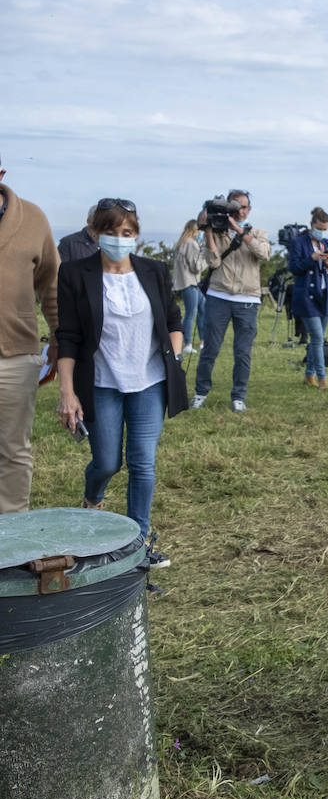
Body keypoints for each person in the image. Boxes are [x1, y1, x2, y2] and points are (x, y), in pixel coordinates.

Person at [54, 198, 187, 566]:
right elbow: (68, 337)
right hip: (101, 383)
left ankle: (137, 544)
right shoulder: (75, 274)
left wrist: (173, 359)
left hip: (149, 382)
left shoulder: (155, 271)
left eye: (126, 232)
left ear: (136, 235)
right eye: (110, 232)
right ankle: (92, 497)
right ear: (95, 233)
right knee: (108, 462)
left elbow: (174, 322)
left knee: (143, 464)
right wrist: (67, 392)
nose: (118, 239)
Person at [0, 154, 60, 513]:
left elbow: (51, 283)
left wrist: (58, 336)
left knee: (12, 449)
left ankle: (9, 537)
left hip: (15, 354)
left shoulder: (33, 218)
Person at [192, 189, 270, 413]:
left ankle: (239, 395)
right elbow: (213, 262)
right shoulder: (218, 231)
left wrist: (239, 231)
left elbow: (264, 254)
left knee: (242, 352)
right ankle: (201, 391)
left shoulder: (257, 232)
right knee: (210, 349)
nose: (240, 211)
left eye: (244, 207)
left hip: (248, 298)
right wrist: (208, 231)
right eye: (235, 207)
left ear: (249, 210)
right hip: (219, 295)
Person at [287, 207, 328, 389]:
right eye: (319, 228)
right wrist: (312, 258)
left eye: (324, 229)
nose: (321, 232)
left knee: (319, 337)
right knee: (317, 338)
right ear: (311, 225)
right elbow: (294, 267)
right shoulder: (299, 242)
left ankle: (309, 374)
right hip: (306, 296)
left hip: (325, 296)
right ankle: (322, 377)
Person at [170, 219, 207, 353]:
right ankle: (188, 344)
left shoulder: (182, 243)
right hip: (190, 282)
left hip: (186, 282)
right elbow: (196, 267)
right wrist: (206, 258)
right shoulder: (191, 244)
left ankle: (202, 341)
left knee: (203, 307)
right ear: (195, 231)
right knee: (191, 313)